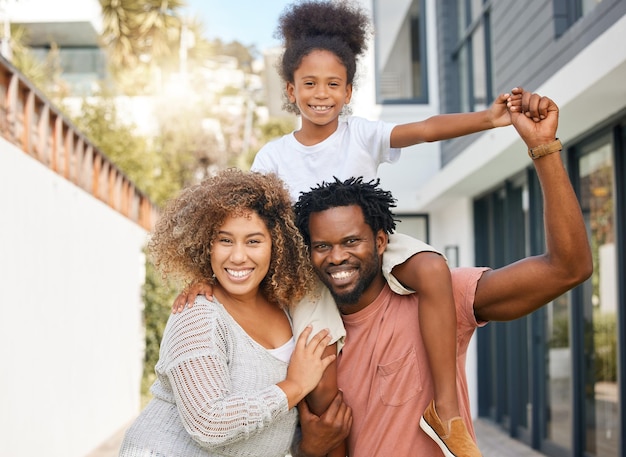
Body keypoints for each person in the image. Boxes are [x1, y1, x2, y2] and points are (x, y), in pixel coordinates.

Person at [175, 2, 525, 454]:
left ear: (348, 90)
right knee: (320, 360)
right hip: (309, 260)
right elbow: (244, 221)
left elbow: (425, 128)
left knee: (435, 269)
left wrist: (488, 118)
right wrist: (209, 272)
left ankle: (446, 408)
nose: (321, 94)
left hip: (370, 241)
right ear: (290, 89)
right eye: (309, 84)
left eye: (333, 84)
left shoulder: (361, 134)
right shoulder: (274, 156)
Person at [288, 91, 592, 456]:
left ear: (382, 241)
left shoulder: (438, 298)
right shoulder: (307, 338)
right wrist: (310, 450)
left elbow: (568, 269)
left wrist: (544, 150)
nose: (337, 257)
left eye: (352, 241)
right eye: (322, 246)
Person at [119, 169, 338, 457]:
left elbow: (268, 426)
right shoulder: (197, 313)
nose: (237, 256)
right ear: (206, 245)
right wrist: (294, 386)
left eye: (253, 241)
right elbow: (210, 424)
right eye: (224, 240)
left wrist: (307, 445)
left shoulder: (285, 308)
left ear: (277, 245)